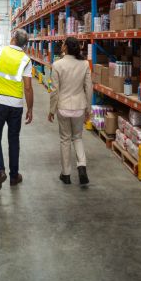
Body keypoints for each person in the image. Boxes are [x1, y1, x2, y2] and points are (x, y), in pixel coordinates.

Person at [0, 15, 33, 194]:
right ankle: (14, 176)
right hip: (16, 105)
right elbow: (28, 88)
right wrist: (30, 108)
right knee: (13, 140)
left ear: (13, 39)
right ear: (24, 44)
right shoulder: (26, 60)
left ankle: (0, 170)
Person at [48, 37, 93, 185]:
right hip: (79, 107)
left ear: (66, 47)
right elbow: (89, 88)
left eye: (63, 44)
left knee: (65, 140)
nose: (61, 45)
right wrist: (88, 109)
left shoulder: (57, 65)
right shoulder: (85, 64)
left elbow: (55, 91)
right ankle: (81, 166)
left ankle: (66, 174)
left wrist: (51, 110)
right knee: (78, 137)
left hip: (63, 107)